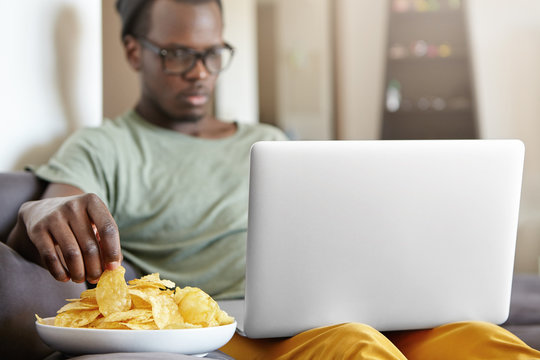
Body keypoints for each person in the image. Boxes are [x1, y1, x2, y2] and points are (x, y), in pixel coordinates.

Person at [5, 0, 540, 359]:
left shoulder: (269, 139)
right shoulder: (105, 144)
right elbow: (55, 206)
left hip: (332, 303)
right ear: (132, 52)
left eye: (213, 54)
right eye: (177, 55)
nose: (200, 73)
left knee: (484, 341)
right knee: (356, 346)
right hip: (233, 324)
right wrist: (39, 212)